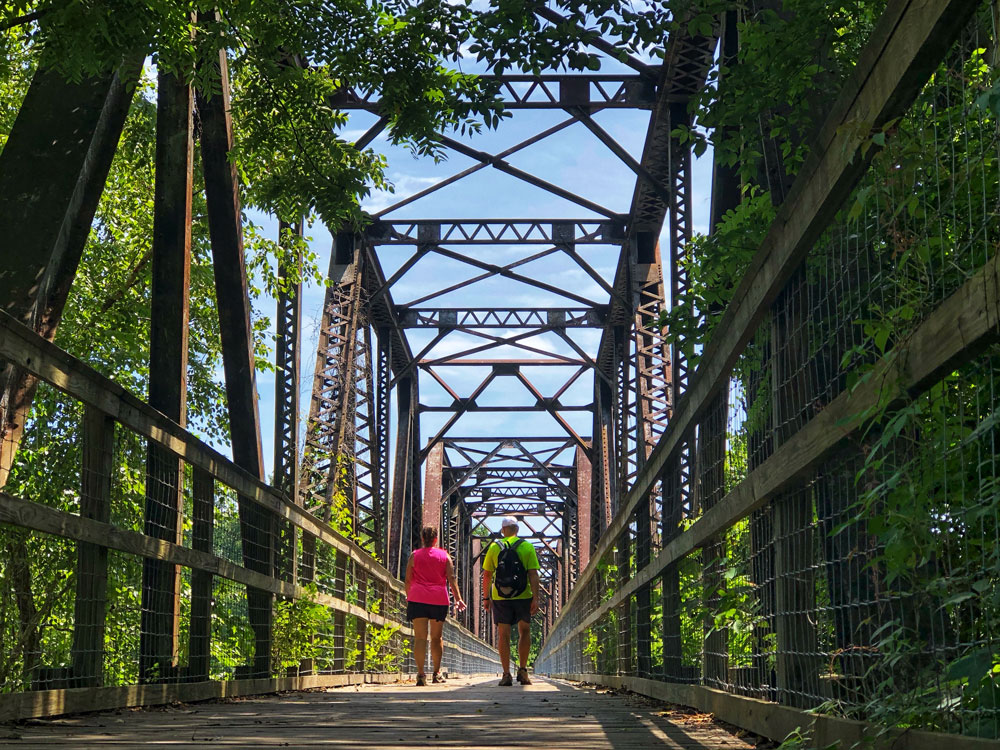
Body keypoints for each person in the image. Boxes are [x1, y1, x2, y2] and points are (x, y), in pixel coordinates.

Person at [482, 516, 540, 686]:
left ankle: (506, 674)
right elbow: (533, 574)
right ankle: (522, 670)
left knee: (503, 634)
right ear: (517, 530)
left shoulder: (494, 547)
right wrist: (536, 597)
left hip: (501, 596)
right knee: (525, 631)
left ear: (503, 530)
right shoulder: (527, 547)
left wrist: (486, 597)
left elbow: (486, 575)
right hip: (523, 595)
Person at [405, 525, 466, 686]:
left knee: (419, 638)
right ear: (436, 539)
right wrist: (458, 598)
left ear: (423, 538)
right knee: (436, 637)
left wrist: (408, 595)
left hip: (417, 598)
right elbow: (451, 578)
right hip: (438, 599)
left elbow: (408, 579)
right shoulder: (444, 556)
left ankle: (420, 674)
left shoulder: (414, 556)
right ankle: (436, 673)